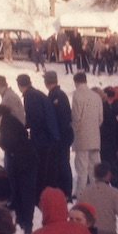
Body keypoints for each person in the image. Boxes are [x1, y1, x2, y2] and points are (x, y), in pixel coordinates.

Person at [0, 101, 37, 234]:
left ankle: (27, 223)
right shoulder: (4, 120)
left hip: (25, 161)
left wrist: (1, 142)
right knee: (18, 190)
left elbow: (12, 140)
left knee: (26, 193)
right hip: (18, 160)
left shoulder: (7, 121)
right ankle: (21, 220)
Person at [17, 73, 60, 197]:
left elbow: (36, 118)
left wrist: (26, 127)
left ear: (19, 85)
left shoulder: (30, 96)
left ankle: (40, 195)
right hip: (49, 136)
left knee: (40, 168)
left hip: (42, 138)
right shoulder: (36, 93)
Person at [71, 72, 103, 198]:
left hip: (82, 138)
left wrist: (74, 132)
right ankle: (98, 194)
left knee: (82, 170)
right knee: (95, 169)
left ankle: (81, 195)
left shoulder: (77, 94)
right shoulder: (96, 96)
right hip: (95, 137)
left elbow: (76, 117)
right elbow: (100, 119)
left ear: (76, 82)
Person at [44, 70, 75, 200]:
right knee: (62, 163)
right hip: (65, 134)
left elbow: (61, 117)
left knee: (61, 163)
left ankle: (65, 191)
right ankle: (64, 190)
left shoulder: (55, 96)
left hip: (61, 136)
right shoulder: (59, 94)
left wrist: (57, 137)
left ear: (47, 82)